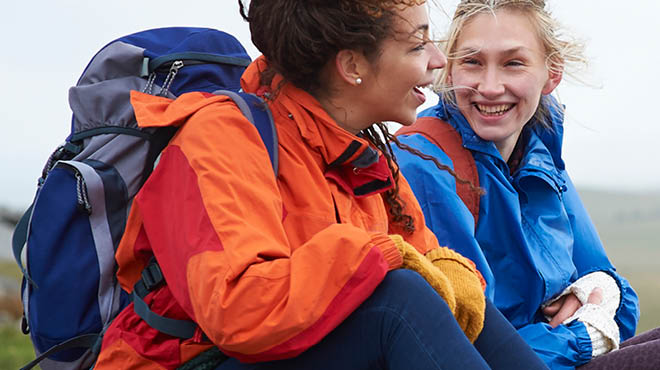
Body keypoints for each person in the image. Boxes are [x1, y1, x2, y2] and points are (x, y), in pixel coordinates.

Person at [91, 1, 549, 369]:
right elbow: (240, 310)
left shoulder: (361, 152)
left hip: (290, 350)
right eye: (417, 45)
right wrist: (377, 256)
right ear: (352, 64)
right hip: (190, 360)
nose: (436, 60)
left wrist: (448, 275)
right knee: (399, 299)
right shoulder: (221, 138)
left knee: (458, 296)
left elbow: (426, 256)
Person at [391, 0, 656, 369]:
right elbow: (469, 341)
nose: (490, 86)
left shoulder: (540, 155)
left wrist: (602, 295)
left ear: (552, 73)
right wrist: (584, 334)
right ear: (449, 70)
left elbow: (616, 295)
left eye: (513, 63)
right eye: (472, 62)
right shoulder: (424, 162)